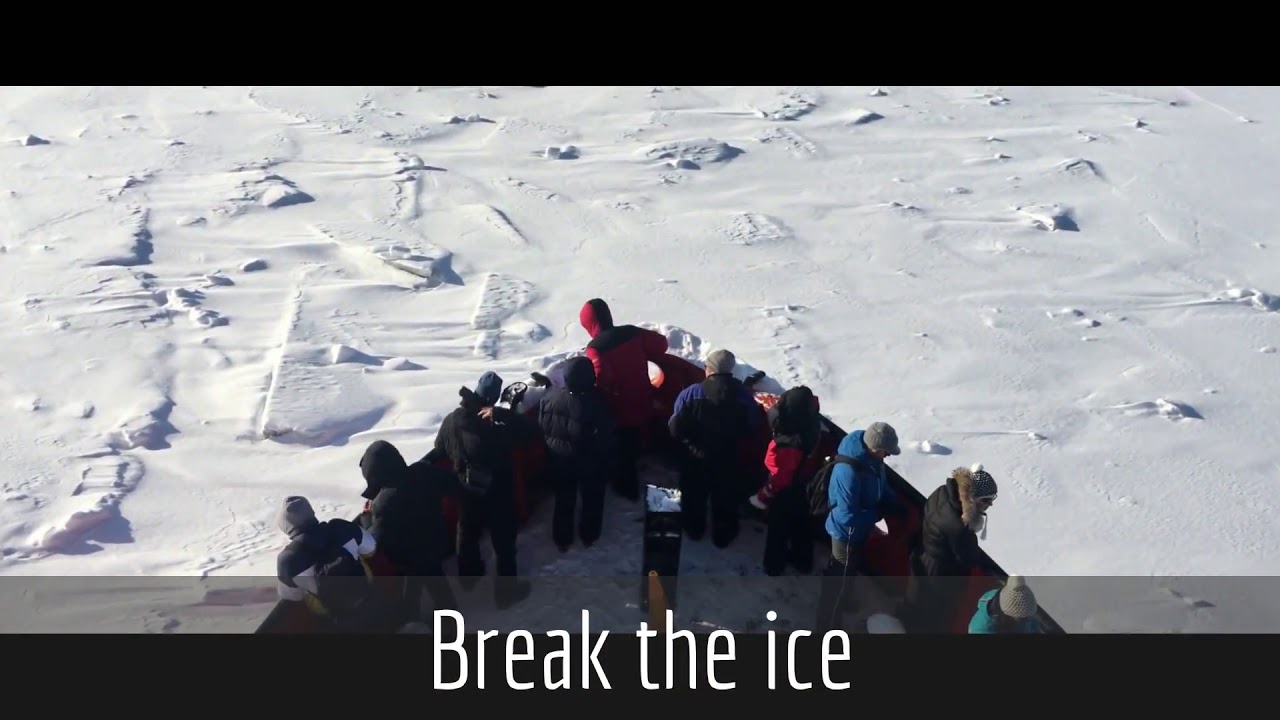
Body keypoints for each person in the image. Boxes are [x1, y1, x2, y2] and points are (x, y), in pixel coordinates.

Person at [432, 371, 539, 609]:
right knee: (503, 542)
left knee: (466, 532)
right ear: (493, 398)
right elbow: (530, 433)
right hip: (497, 493)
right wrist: (503, 414)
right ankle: (506, 593)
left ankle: (468, 577)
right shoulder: (494, 426)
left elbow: (439, 449)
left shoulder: (451, 419)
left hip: (464, 489)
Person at [814, 421, 907, 632]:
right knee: (839, 578)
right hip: (845, 533)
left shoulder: (872, 462)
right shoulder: (849, 472)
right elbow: (846, 516)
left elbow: (880, 484)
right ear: (875, 449)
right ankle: (827, 627)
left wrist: (892, 502)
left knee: (849, 569)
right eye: (886, 453)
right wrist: (877, 514)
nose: (887, 457)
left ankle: (844, 599)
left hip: (859, 530)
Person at [358, 439, 460, 623]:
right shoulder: (423, 471)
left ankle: (446, 622)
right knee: (428, 576)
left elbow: (375, 539)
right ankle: (420, 612)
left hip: (411, 556)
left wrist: (367, 516)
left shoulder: (383, 503)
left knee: (427, 578)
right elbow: (452, 483)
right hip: (438, 539)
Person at [578, 298, 671, 501]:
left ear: (589, 324)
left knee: (623, 450)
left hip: (619, 409)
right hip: (644, 399)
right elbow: (661, 344)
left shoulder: (595, 348)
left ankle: (627, 489)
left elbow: (601, 378)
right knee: (635, 438)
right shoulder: (632, 332)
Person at [668, 349, 755, 548]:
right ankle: (723, 535)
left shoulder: (691, 393)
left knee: (694, 495)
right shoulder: (743, 397)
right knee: (725, 497)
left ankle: (694, 528)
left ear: (709, 369)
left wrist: (689, 442)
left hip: (695, 456)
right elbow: (752, 425)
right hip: (727, 456)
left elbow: (675, 426)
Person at [903, 463, 999, 632]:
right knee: (933, 615)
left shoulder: (943, 492)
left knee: (919, 604)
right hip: (941, 576)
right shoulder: (958, 525)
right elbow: (968, 558)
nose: (990, 505)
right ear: (973, 498)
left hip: (924, 556)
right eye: (986, 500)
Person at [536, 356, 616, 552]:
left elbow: (542, 425)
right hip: (588, 461)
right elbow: (606, 435)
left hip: (559, 459)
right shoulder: (596, 403)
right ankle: (589, 534)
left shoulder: (549, 398)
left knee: (564, 498)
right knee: (592, 497)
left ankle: (562, 539)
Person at [275, 495, 387, 632]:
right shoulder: (342, 527)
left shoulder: (287, 561)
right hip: (370, 599)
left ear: (285, 526)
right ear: (311, 513)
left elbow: (292, 600)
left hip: (334, 621)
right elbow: (372, 550)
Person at [749, 385, 822, 576]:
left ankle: (773, 566)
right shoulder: (811, 424)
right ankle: (803, 562)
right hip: (805, 483)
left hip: (786, 489)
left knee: (778, 529)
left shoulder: (788, 442)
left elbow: (782, 476)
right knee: (802, 525)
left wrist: (763, 495)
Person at [969, 575, 1040, 634]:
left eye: (1027, 617)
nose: (1026, 620)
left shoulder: (1024, 610)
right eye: (1021, 618)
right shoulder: (980, 629)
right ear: (1006, 613)